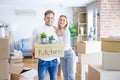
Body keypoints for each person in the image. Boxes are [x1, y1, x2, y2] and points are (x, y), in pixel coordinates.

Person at [30, 10, 59, 80]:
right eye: (48, 17)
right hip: (43, 60)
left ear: (54, 19)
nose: (50, 20)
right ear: (44, 18)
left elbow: (60, 43)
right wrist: (32, 49)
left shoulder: (57, 30)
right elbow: (32, 40)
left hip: (54, 60)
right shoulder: (38, 29)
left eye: (51, 18)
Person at [56, 15, 76, 80]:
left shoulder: (66, 31)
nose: (62, 21)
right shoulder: (57, 30)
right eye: (60, 19)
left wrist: (59, 35)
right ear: (58, 21)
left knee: (70, 74)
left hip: (69, 54)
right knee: (65, 74)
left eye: (64, 20)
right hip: (62, 55)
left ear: (66, 22)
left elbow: (65, 45)